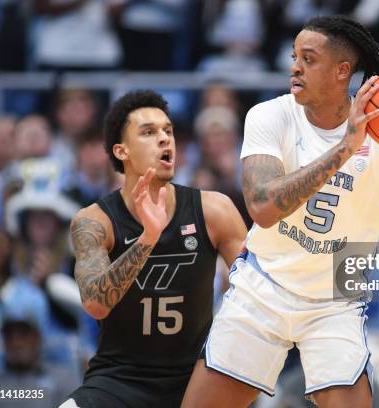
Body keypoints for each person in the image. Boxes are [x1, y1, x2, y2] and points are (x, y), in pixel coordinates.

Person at [182, 15, 379, 408]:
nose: (295, 67)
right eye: (294, 57)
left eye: (308, 58)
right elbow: (263, 208)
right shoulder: (270, 116)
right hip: (264, 287)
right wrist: (344, 149)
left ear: (342, 71)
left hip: (335, 300)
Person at [60, 90, 247, 407]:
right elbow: (95, 304)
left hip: (197, 382)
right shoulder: (94, 221)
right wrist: (148, 237)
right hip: (117, 381)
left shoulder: (215, 210)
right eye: (148, 132)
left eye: (168, 131)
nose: (164, 139)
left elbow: (261, 289)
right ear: (122, 151)